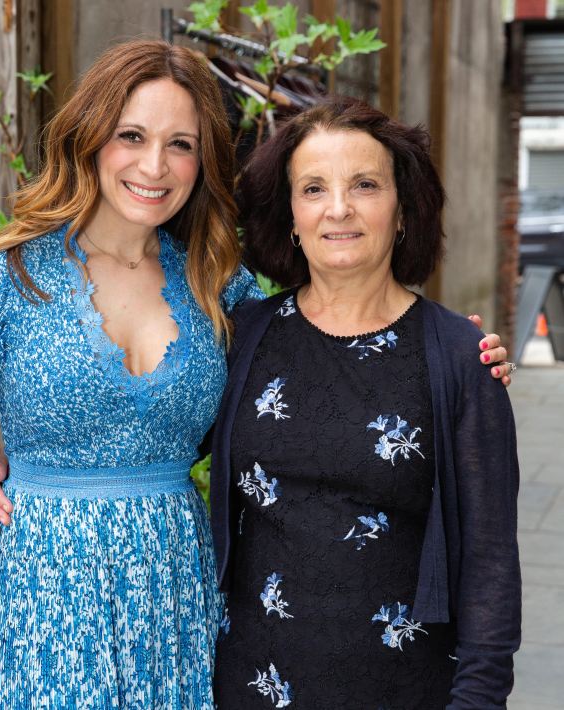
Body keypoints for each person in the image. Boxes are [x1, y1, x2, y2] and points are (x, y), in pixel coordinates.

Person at [0, 40, 265, 708]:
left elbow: (313, 370)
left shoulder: (219, 284)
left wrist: (460, 354)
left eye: (181, 144)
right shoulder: (6, 280)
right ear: (89, 139)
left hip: (172, 588)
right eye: (131, 135)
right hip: (43, 592)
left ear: (204, 161)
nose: (153, 165)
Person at [208, 97, 520, 709]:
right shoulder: (241, 339)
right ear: (291, 216)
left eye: (365, 185)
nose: (339, 208)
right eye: (314, 188)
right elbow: (147, 434)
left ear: (403, 210)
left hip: (404, 688)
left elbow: (490, 564)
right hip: (250, 684)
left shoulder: (461, 357)